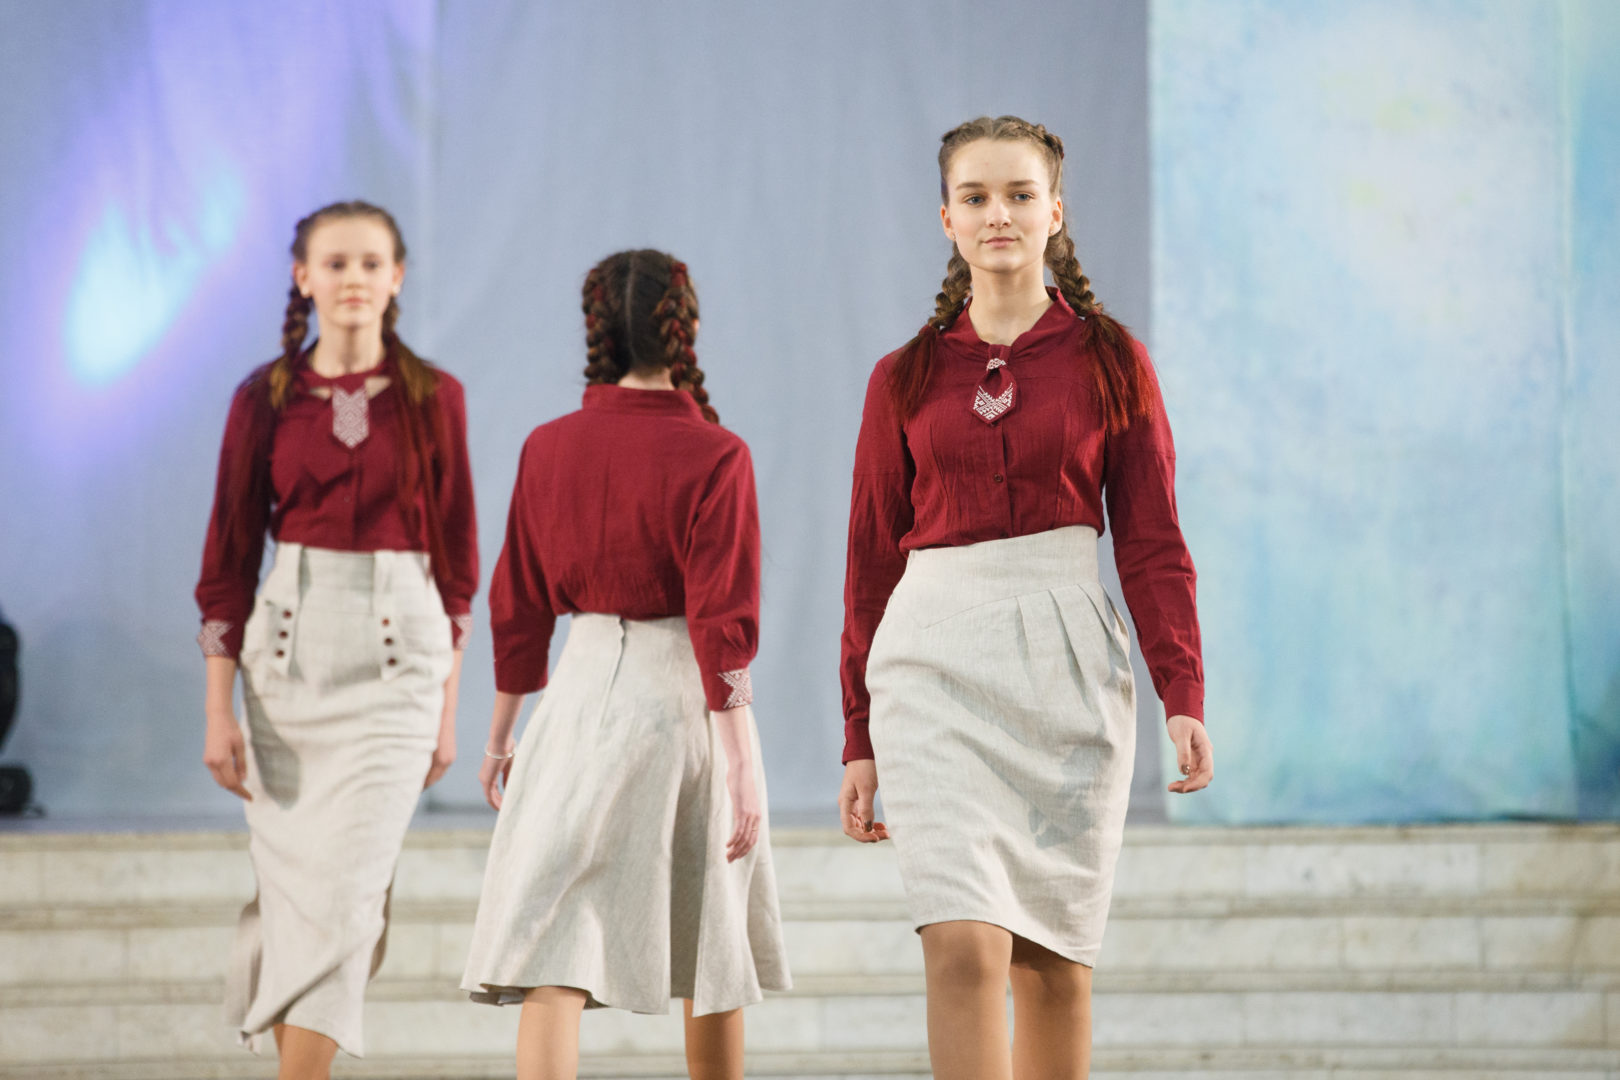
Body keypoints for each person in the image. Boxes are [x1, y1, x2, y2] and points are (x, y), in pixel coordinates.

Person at [837, 115, 1215, 1080]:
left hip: (1067, 663)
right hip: (931, 664)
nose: (997, 214)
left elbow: (1152, 539)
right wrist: (858, 734)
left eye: (1018, 194)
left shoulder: (1113, 361)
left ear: (1056, 212)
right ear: (947, 219)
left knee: (1053, 966)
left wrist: (1181, 689)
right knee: (962, 944)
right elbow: (870, 565)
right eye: (975, 197)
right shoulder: (902, 377)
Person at [461, 250, 789, 1080]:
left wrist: (500, 740)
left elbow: (518, 606)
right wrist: (742, 762)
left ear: (595, 330)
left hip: (576, 698)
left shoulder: (546, 447)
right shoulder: (717, 453)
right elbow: (721, 623)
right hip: (683, 701)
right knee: (711, 946)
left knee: (554, 944)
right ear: (688, 325)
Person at [195, 200, 478, 1079]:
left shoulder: (435, 398)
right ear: (304, 277)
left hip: (401, 666)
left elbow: (459, 564)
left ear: (396, 278)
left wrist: (447, 711)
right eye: (336, 263)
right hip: (287, 667)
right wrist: (217, 709)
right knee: (298, 904)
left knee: (350, 896)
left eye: (370, 263)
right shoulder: (264, 397)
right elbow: (227, 560)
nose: (354, 279)